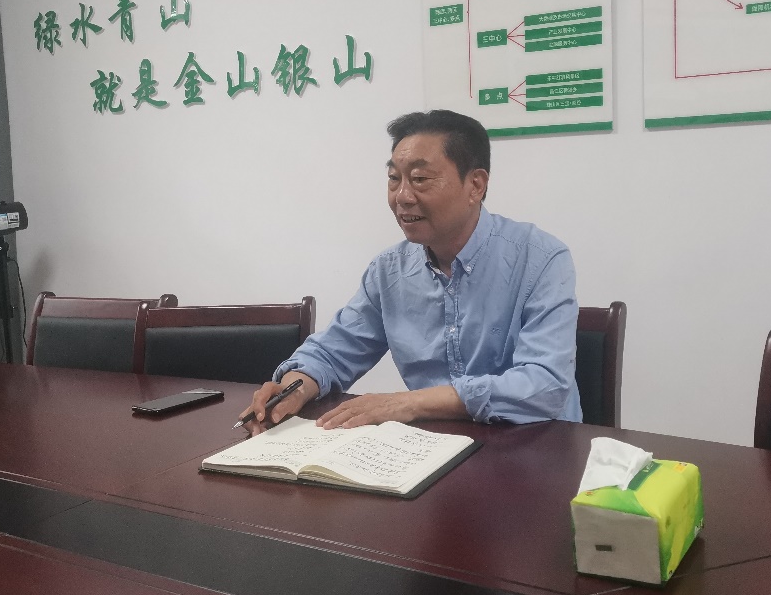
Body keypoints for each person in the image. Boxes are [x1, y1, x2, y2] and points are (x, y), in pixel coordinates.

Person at [242, 109, 581, 432]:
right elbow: (333, 351)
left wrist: (408, 403)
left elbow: (545, 385)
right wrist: (296, 386)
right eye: (394, 179)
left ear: (475, 185)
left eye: (420, 179)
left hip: (535, 447)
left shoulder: (540, 259)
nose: (402, 196)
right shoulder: (390, 271)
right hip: (432, 449)